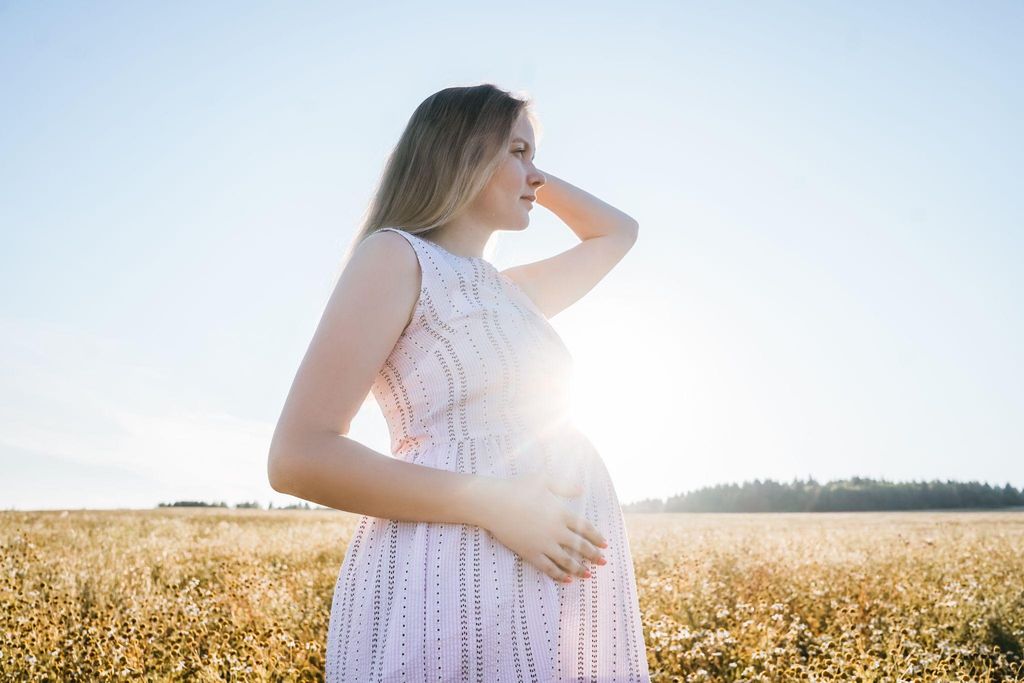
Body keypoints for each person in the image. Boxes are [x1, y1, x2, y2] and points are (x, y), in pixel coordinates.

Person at [267, 83, 650, 682]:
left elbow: (617, 232)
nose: (535, 175)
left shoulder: (511, 293)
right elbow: (297, 456)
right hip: (456, 574)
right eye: (518, 152)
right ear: (463, 152)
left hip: (551, 585)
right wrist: (495, 503)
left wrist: (522, 161)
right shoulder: (397, 257)